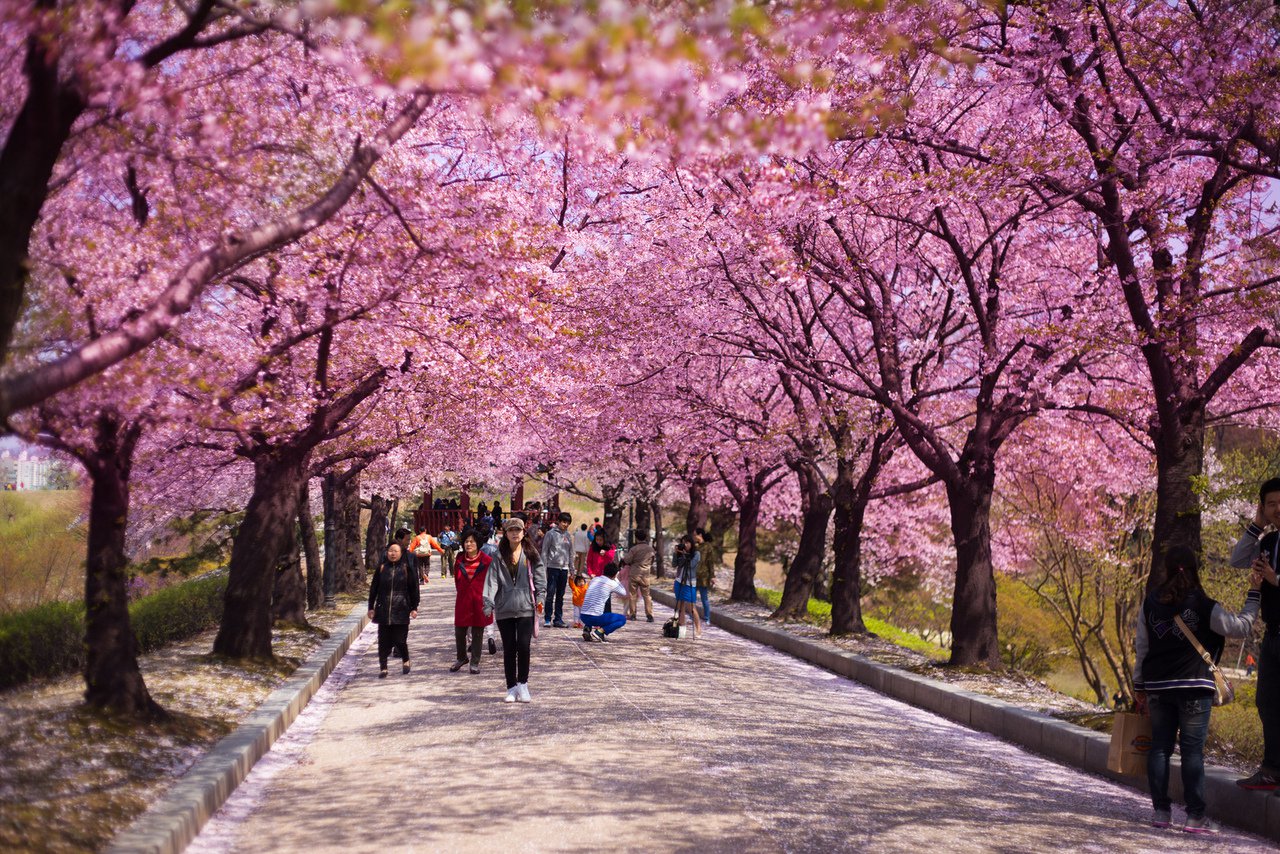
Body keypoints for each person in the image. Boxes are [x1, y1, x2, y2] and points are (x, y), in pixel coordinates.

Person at [1134, 546, 1262, 832]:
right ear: (1194, 569)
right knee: (1192, 753)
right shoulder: (1204, 605)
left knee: (1159, 749)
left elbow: (1141, 647)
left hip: (1158, 686)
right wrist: (1254, 596)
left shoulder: (1150, 604)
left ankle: (1161, 813)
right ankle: (1194, 816)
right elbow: (1239, 628)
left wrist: (1138, 685)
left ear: (1167, 569)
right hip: (1194, 686)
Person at [1230, 476, 1280, 790]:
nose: (1278, 509)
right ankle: (1272, 769)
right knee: (1267, 702)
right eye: (1271, 504)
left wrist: (1276, 580)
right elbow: (1236, 560)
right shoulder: (1270, 542)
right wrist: (1256, 524)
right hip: (1272, 634)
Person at [483, 517, 546, 703]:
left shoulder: (530, 552)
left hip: (526, 606)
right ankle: (511, 687)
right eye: (511, 530)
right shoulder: (498, 555)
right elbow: (492, 580)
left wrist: (541, 597)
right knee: (509, 648)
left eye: (517, 530)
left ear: (523, 532)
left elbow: (540, 576)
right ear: (505, 533)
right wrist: (488, 602)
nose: (514, 533)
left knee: (524, 646)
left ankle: (523, 684)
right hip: (504, 608)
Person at [367, 543, 419, 678]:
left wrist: (414, 607)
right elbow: (374, 589)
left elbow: (414, 590)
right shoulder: (382, 568)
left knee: (400, 640)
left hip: (401, 609)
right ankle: (383, 668)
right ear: (387, 553)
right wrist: (371, 607)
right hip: (383, 608)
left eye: (396, 551)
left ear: (401, 553)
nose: (393, 554)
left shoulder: (406, 569)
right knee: (383, 641)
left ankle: (406, 659)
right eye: (390, 551)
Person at [450, 527, 492, 674]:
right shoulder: (459, 559)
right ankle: (461, 657)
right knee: (459, 630)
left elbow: (491, 582)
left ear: (478, 543)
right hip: (463, 599)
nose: (469, 544)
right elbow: (457, 579)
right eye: (466, 541)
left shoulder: (487, 561)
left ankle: (474, 662)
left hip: (480, 600)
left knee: (478, 632)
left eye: (472, 542)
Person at [540, 511, 574, 628]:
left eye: (568, 523)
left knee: (560, 595)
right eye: (564, 522)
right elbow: (544, 551)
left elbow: (571, 553)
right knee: (550, 593)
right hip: (552, 568)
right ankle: (548, 618)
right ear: (558, 521)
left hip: (564, 569)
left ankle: (558, 619)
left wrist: (572, 569)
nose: (565, 525)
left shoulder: (568, 535)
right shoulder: (550, 534)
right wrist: (543, 568)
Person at [581, 563, 628, 642]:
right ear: (615, 574)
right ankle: (600, 632)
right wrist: (616, 579)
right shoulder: (611, 583)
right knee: (622, 619)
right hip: (595, 618)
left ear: (604, 571)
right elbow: (624, 593)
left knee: (595, 606)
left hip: (583, 616)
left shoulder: (594, 579)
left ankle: (587, 628)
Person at [621, 531, 655, 622]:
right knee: (647, 595)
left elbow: (627, 560)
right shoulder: (650, 549)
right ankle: (649, 614)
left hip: (634, 574)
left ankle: (633, 614)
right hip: (645, 575)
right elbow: (652, 561)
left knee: (633, 594)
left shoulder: (634, 549)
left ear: (636, 538)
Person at [672, 534, 702, 639]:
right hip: (679, 581)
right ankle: (682, 630)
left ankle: (698, 628)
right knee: (680, 607)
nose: (685, 545)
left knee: (691, 607)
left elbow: (691, 565)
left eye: (687, 542)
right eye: (683, 542)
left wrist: (684, 554)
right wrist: (676, 554)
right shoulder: (680, 552)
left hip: (690, 583)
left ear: (691, 543)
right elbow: (674, 564)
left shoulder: (696, 554)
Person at [693, 527, 714, 624]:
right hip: (693, 575)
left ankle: (707, 618)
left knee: (704, 598)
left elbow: (710, 562)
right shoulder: (695, 546)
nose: (694, 536)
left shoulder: (708, 546)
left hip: (704, 576)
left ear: (700, 535)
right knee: (691, 597)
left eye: (695, 534)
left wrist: (712, 576)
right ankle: (692, 616)